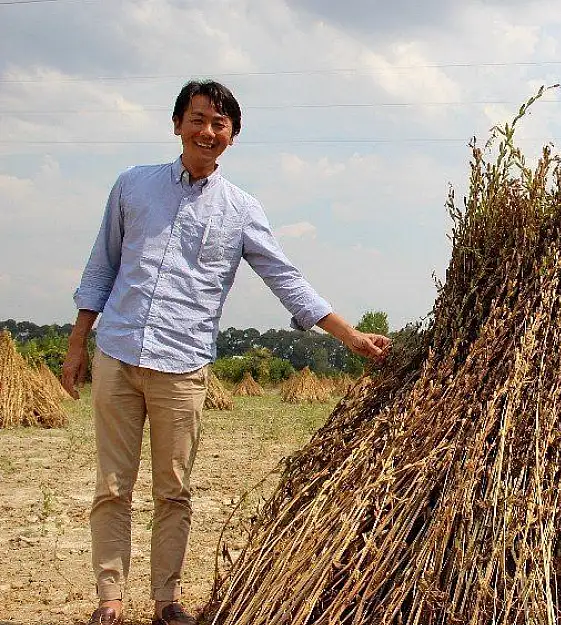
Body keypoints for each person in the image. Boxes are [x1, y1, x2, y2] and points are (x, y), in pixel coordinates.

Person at [60, 80, 391, 625]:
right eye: (197, 119)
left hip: (184, 365)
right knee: (113, 486)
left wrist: (350, 336)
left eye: (219, 124)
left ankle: (165, 599)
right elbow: (103, 266)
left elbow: (285, 278)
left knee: (174, 490)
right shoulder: (132, 187)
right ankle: (109, 600)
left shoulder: (241, 210)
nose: (207, 131)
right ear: (177, 125)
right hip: (117, 354)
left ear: (232, 137)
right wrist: (78, 341)